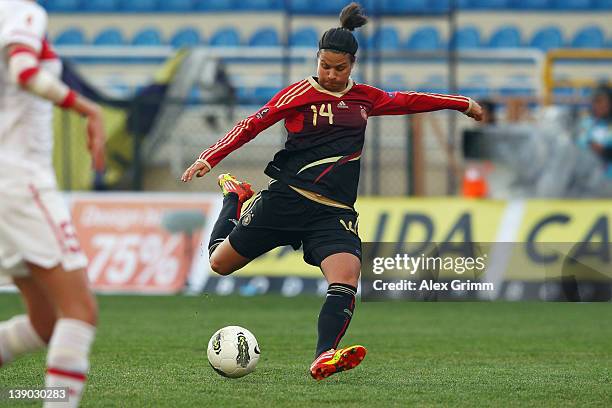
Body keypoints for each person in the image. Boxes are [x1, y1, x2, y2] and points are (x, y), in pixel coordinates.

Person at [182, 2, 482, 380]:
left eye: (339, 68)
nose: (331, 74)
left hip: (333, 211)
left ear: (352, 65)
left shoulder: (364, 99)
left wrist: (461, 103)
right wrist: (209, 158)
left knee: (347, 276)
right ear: (317, 60)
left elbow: (408, 100)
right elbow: (250, 125)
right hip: (286, 199)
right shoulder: (296, 95)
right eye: (325, 66)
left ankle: (324, 355)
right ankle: (235, 198)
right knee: (219, 264)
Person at [0, 1, 105, 406]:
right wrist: (87, 108)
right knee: (79, 311)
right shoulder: (22, 11)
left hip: (7, 184)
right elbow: (24, 71)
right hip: (21, 181)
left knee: (44, 323)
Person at [577, 85, 612, 178]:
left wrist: (605, 151)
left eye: (601, 101)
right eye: (595, 101)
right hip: (587, 180)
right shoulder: (586, 123)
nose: (597, 105)